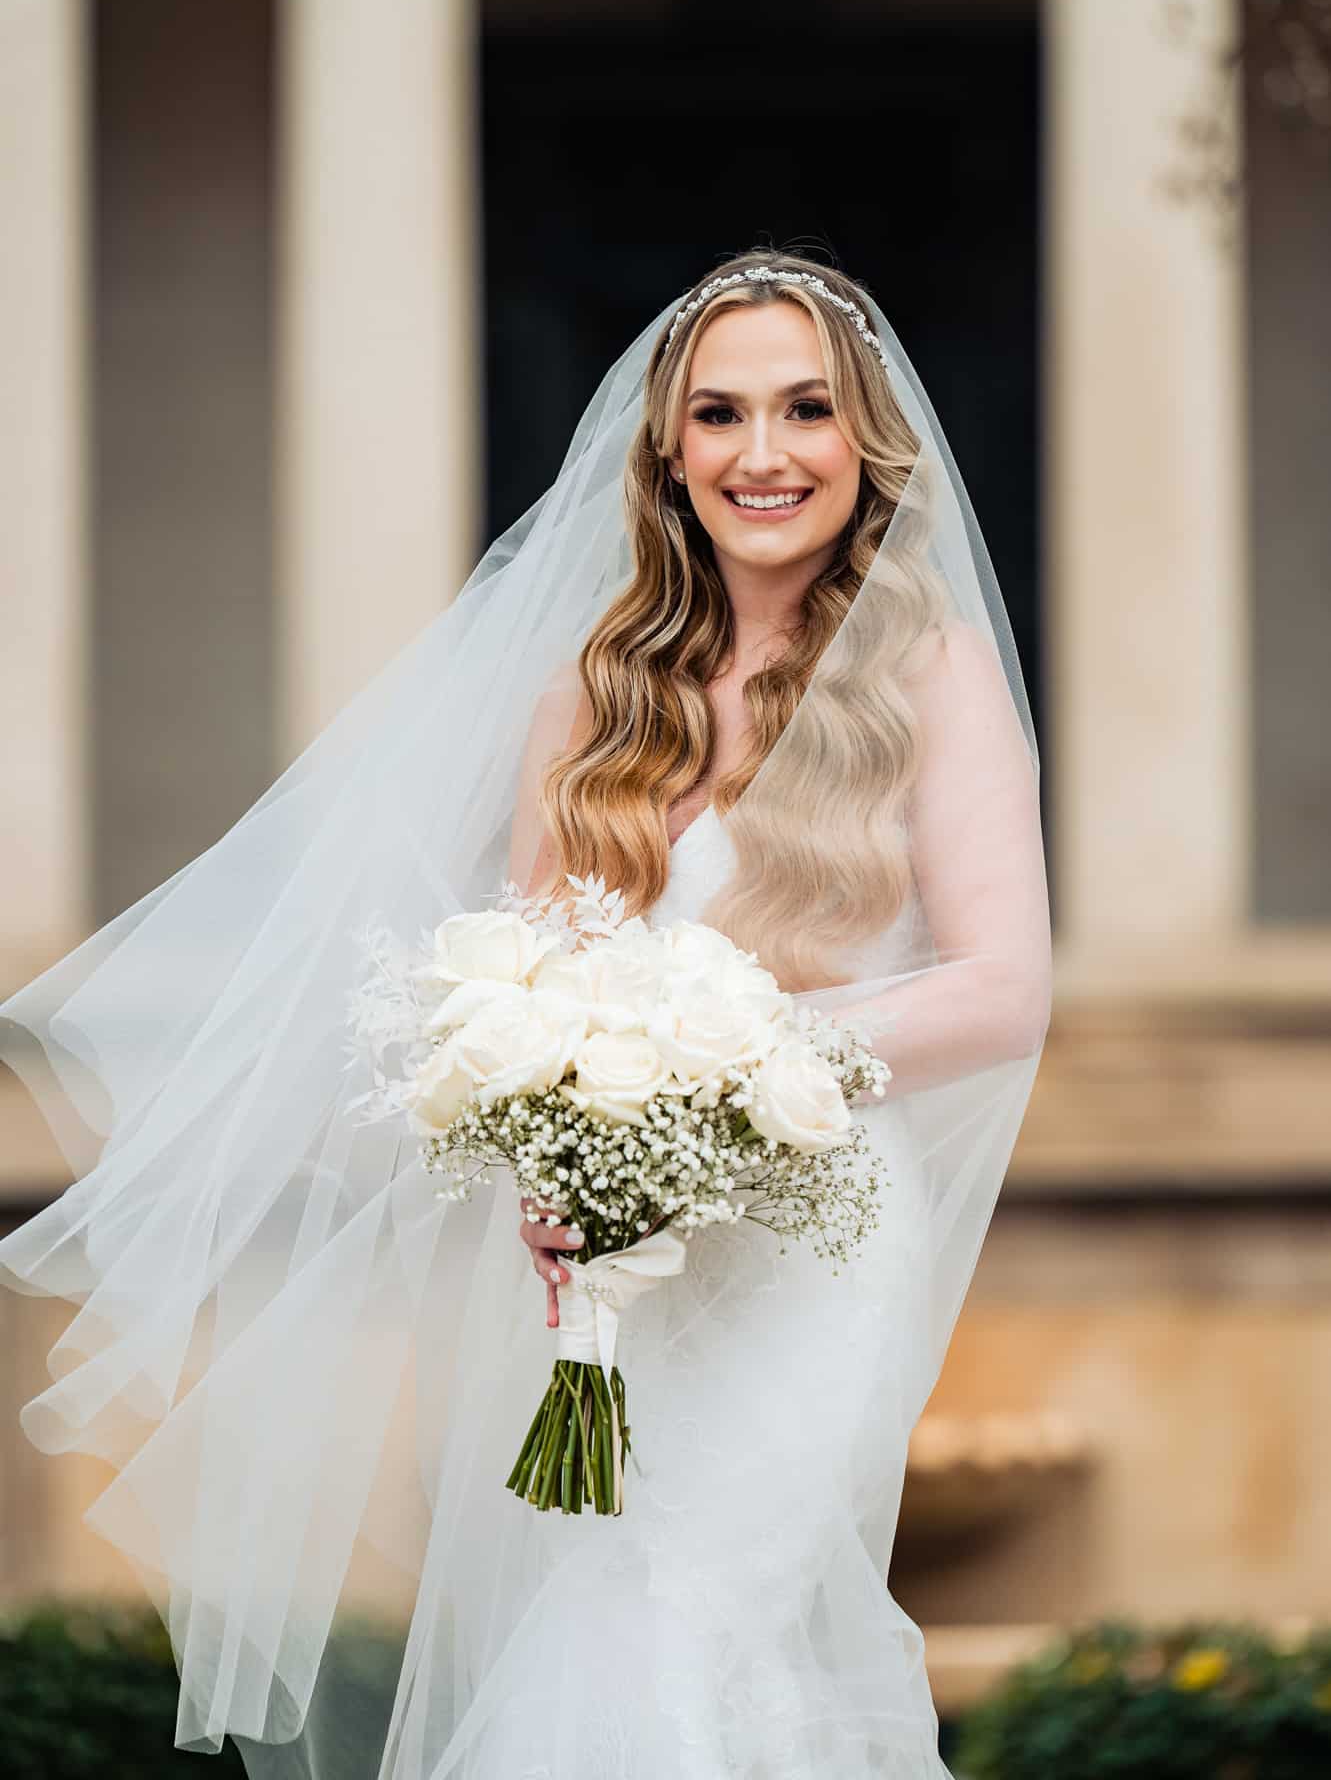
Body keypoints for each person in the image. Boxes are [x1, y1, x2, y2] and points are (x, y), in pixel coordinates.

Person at [1, 249, 1051, 1779]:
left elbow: (1004, 991)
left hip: (816, 1241)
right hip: (611, 1272)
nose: (764, 455)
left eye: (807, 411)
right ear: (670, 453)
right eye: (722, 416)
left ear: (864, 444)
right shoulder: (595, 690)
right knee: (602, 1592)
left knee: (700, 1602)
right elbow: (531, 985)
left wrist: (726, 1079)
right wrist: (551, 1168)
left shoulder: (930, 674)